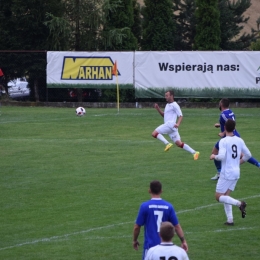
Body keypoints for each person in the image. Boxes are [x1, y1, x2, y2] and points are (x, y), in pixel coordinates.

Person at [210, 119, 251, 225]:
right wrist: (238, 162)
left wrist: (214, 156)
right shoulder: (239, 140)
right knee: (226, 196)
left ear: (224, 128)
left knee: (218, 197)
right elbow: (248, 155)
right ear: (234, 128)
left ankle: (239, 203)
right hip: (236, 172)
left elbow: (222, 156)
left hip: (226, 173)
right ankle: (230, 220)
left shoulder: (223, 141)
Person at [133, 180, 188, 260]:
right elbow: (176, 226)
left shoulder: (144, 206)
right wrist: (183, 241)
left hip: (150, 247)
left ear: (149, 190)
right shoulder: (169, 206)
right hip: (166, 245)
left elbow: (137, 227)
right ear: (161, 191)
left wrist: (135, 240)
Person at [211, 98, 260, 180]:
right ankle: (258, 164)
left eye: (219, 103)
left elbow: (232, 126)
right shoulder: (231, 112)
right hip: (234, 135)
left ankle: (220, 172)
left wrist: (222, 133)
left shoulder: (223, 115)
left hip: (229, 136)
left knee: (215, 153)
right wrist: (220, 125)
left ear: (221, 105)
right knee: (242, 154)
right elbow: (231, 123)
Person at [152, 90, 199, 160]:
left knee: (154, 133)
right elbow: (164, 115)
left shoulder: (175, 105)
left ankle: (167, 143)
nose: (166, 97)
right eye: (165, 96)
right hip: (172, 128)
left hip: (170, 125)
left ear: (171, 96)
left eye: (167, 96)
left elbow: (181, 115)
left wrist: (178, 124)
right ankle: (195, 152)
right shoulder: (167, 105)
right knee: (179, 143)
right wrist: (158, 109)